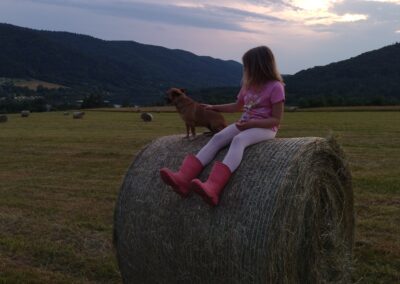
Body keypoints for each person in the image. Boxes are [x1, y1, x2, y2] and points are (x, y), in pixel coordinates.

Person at [160, 46, 285, 206]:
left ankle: (213, 188)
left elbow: (275, 120)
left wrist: (252, 123)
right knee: (218, 137)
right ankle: (183, 179)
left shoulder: (276, 87)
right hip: (245, 124)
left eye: (247, 65)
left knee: (239, 140)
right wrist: (214, 107)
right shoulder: (248, 86)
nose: (245, 69)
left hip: (265, 128)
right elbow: (236, 106)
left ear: (259, 66)